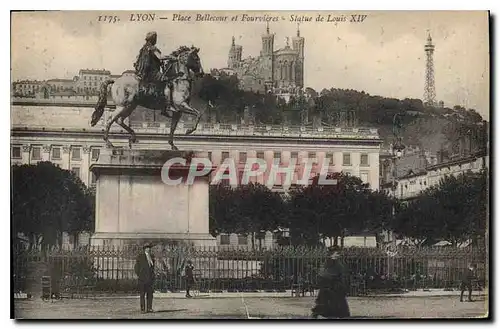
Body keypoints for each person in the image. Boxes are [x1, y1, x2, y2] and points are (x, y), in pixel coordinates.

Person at [133, 31, 177, 115]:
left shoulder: (143, 48)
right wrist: (171, 57)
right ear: (152, 39)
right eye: (155, 38)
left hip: (144, 73)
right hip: (153, 73)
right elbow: (160, 57)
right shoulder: (152, 48)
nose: (156, 40)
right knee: (169, 82)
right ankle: (168, 106)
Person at [312, 246, 351, 319]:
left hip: (336, 286)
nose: (338, 255)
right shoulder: (328, 263)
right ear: (331, 254)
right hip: (329, 286)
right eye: (336, 253)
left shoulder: (337, 263)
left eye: (338, 253)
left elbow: (341, 273)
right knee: (327, 302)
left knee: (338, 302)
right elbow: (323, 273)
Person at [134, 243, 156, 313]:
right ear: (144, 249)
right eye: (147, 247)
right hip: (143, 279)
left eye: (149, 247)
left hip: (150, 279)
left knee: (150, 294)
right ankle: (143, 309)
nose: (149, 249)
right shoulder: (140, 256)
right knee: (142, 294)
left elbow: (152, 267)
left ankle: (149, 308)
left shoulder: (152, 256)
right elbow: (136, 267)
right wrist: (140, 275)